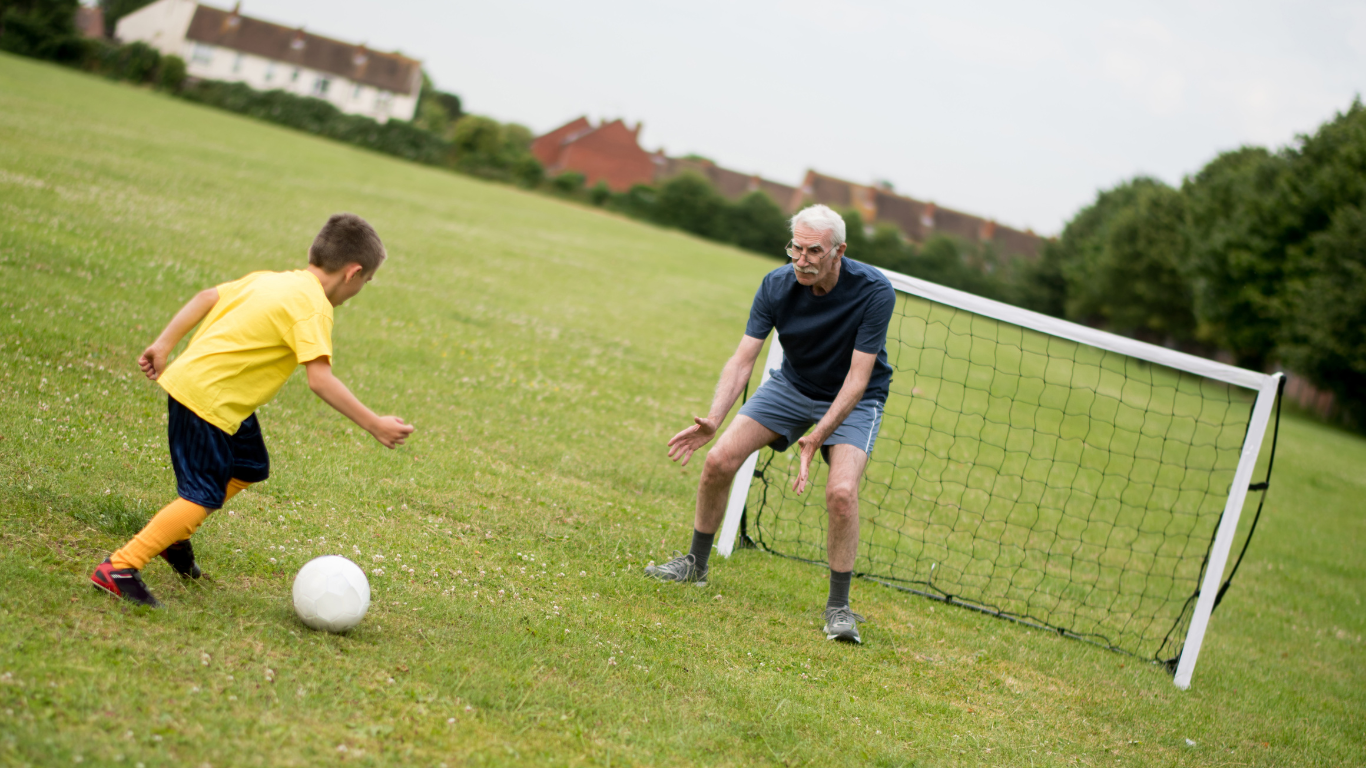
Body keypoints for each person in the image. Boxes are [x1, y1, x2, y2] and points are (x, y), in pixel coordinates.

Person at [90, 213, 415, 607]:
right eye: (366, 281)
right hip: (207, 400)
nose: (361, 289)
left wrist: (163, 345)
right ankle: (121, 566)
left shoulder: (271, 279)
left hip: (220, 397)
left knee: (248, 465)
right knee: (202, 495)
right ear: (353, 272)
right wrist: (374, 423)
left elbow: (205, 297)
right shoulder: (314, 307)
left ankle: (174, 537)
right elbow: (320, 379)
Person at [654, 204, 896, 644]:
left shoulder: (875, 291)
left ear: (839, 251)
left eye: (813, 251)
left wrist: (817, 436)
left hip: (854, 399)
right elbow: (743, 358)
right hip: (793, 385)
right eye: (795, 248)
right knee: (719, 461)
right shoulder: (776, 285)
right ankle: (695, 565)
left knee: (841, 493)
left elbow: (859, 380)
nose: (800, 260)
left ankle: (839, 609)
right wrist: (713, 418)